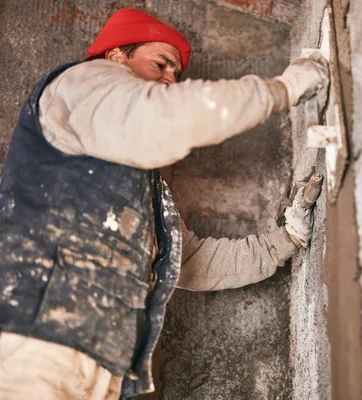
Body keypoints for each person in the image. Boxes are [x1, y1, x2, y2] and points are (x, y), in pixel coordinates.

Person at [0, 8, 329, 400]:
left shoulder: (137, 186)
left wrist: (287, 239)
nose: (171, 79)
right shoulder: (78, 86)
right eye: (161, 63)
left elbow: (191, 264)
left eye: (176, 74)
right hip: (31, 343)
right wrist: (285, 88)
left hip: (99, 367)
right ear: (116, 55)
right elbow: (167, 115)